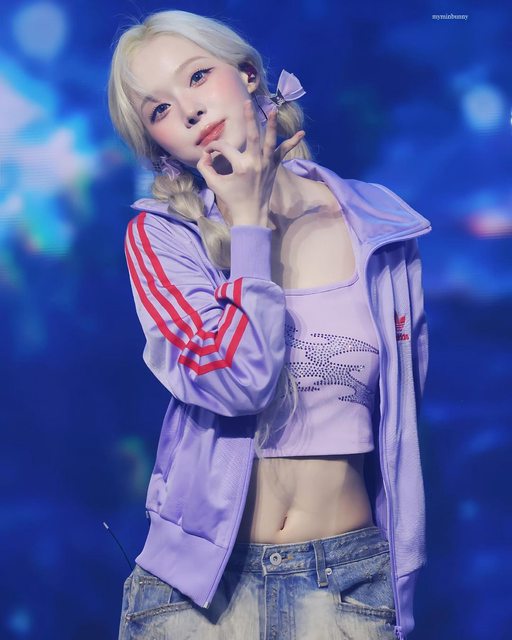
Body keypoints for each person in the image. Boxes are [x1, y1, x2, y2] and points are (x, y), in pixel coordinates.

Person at [108, 9, 432, 640]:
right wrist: (249, 226)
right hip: (198, 598)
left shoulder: (382, 229)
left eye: (197, 76)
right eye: (161, 110)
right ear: (158, 142)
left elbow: (405, 423)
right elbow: (237, 382)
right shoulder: (162, 236)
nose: (191, 111)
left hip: (346, 584)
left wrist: (400, 585)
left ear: (248, 74)